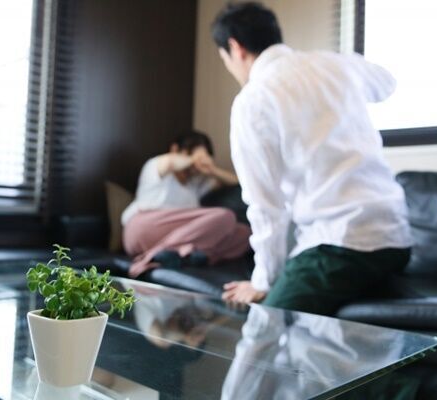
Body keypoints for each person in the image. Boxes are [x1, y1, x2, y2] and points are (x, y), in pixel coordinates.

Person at [213, 3, 413, 315]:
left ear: (235, 48)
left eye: (224, 59)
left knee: (268, 326)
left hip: (342, 244)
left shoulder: (254, 100)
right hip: (397, 241)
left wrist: (263, 281)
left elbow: (266, 205)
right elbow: (387, 83)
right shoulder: (334, 64)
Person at [122, 130, 251, 277]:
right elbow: (170, 162)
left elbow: (238, 182)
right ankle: (154, 257)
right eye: (192, 155)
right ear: (175, 149)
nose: (196, 165)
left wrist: (212, 170)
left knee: (244, 233)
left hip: (177, 238)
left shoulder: (196, 186)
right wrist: (194, 159)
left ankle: (187, 256)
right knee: (226, 216)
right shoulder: (156, 167)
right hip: (142, 228)